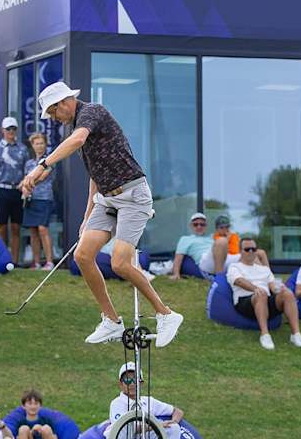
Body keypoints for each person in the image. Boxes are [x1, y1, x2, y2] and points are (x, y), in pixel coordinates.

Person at [22, 82, 183, 348]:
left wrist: (42, 165)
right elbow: (95, 177)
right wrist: (87, 217)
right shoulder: (77, 127)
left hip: (133, 197)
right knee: (82, 255)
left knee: (120, 263)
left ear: (63, 103)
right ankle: (111, 320)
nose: (54, 119)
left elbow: (76, 141)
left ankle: (166, 314)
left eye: (53, 113)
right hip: (106, 200)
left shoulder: (92, 113)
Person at [107, 362, 191, 439]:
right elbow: (126, 428)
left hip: (143, 437)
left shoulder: (148, 401)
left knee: (173, 428)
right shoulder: (117, 403)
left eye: (135, 380)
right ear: (121, 384)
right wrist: (157, 426)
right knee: (124, 426)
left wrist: (172, 421)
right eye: (127, 380)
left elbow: (177, 411)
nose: (132, 384)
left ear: (141, 383)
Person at [227, 237, 301, 350]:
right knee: (261, 294)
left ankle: (296, 334)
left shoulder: (264, 269)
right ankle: (265, 334)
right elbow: (238, 281)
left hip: (265, 299)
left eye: (253, 249)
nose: (251, 252)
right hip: (245, 300)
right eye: (247, 249)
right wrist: (255, 289)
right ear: (240, 251)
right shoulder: (234, 267)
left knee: (287, 294)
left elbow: (273, 286)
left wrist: (280, 289)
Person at [0, 116, 30, 265]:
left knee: (16, 226)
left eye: (13, 129)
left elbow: (27, 170)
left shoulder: (23, 149)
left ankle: (15, 260)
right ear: (2, 130)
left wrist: (25, 187)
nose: (11, 131)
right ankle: (2, 258)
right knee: (1, 225)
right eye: (8, 129)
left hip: (17, 190)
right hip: (1, 189)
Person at [21, 133, 55, 270]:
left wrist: (26, 183)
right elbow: (25, 180)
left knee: (43, 229)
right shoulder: (29, 163)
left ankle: (49, 262)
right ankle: (36, 263)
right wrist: (24, 187)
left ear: (45, 145)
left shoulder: (49, 160)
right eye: (36, 143)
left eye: (42, 143)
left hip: (44, 198)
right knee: (33, 231)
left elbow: (41, 177)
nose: (39, 146)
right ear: (32, 146)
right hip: (31, 199)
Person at [169, 213, 212, 280]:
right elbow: (178, 257)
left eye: (202, 224)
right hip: (205, 261)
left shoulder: (211, 238)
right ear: (191, 226)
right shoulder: (185, 239)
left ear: (206, 226)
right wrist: (176, 274)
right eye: (195, 224)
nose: (199, 227)